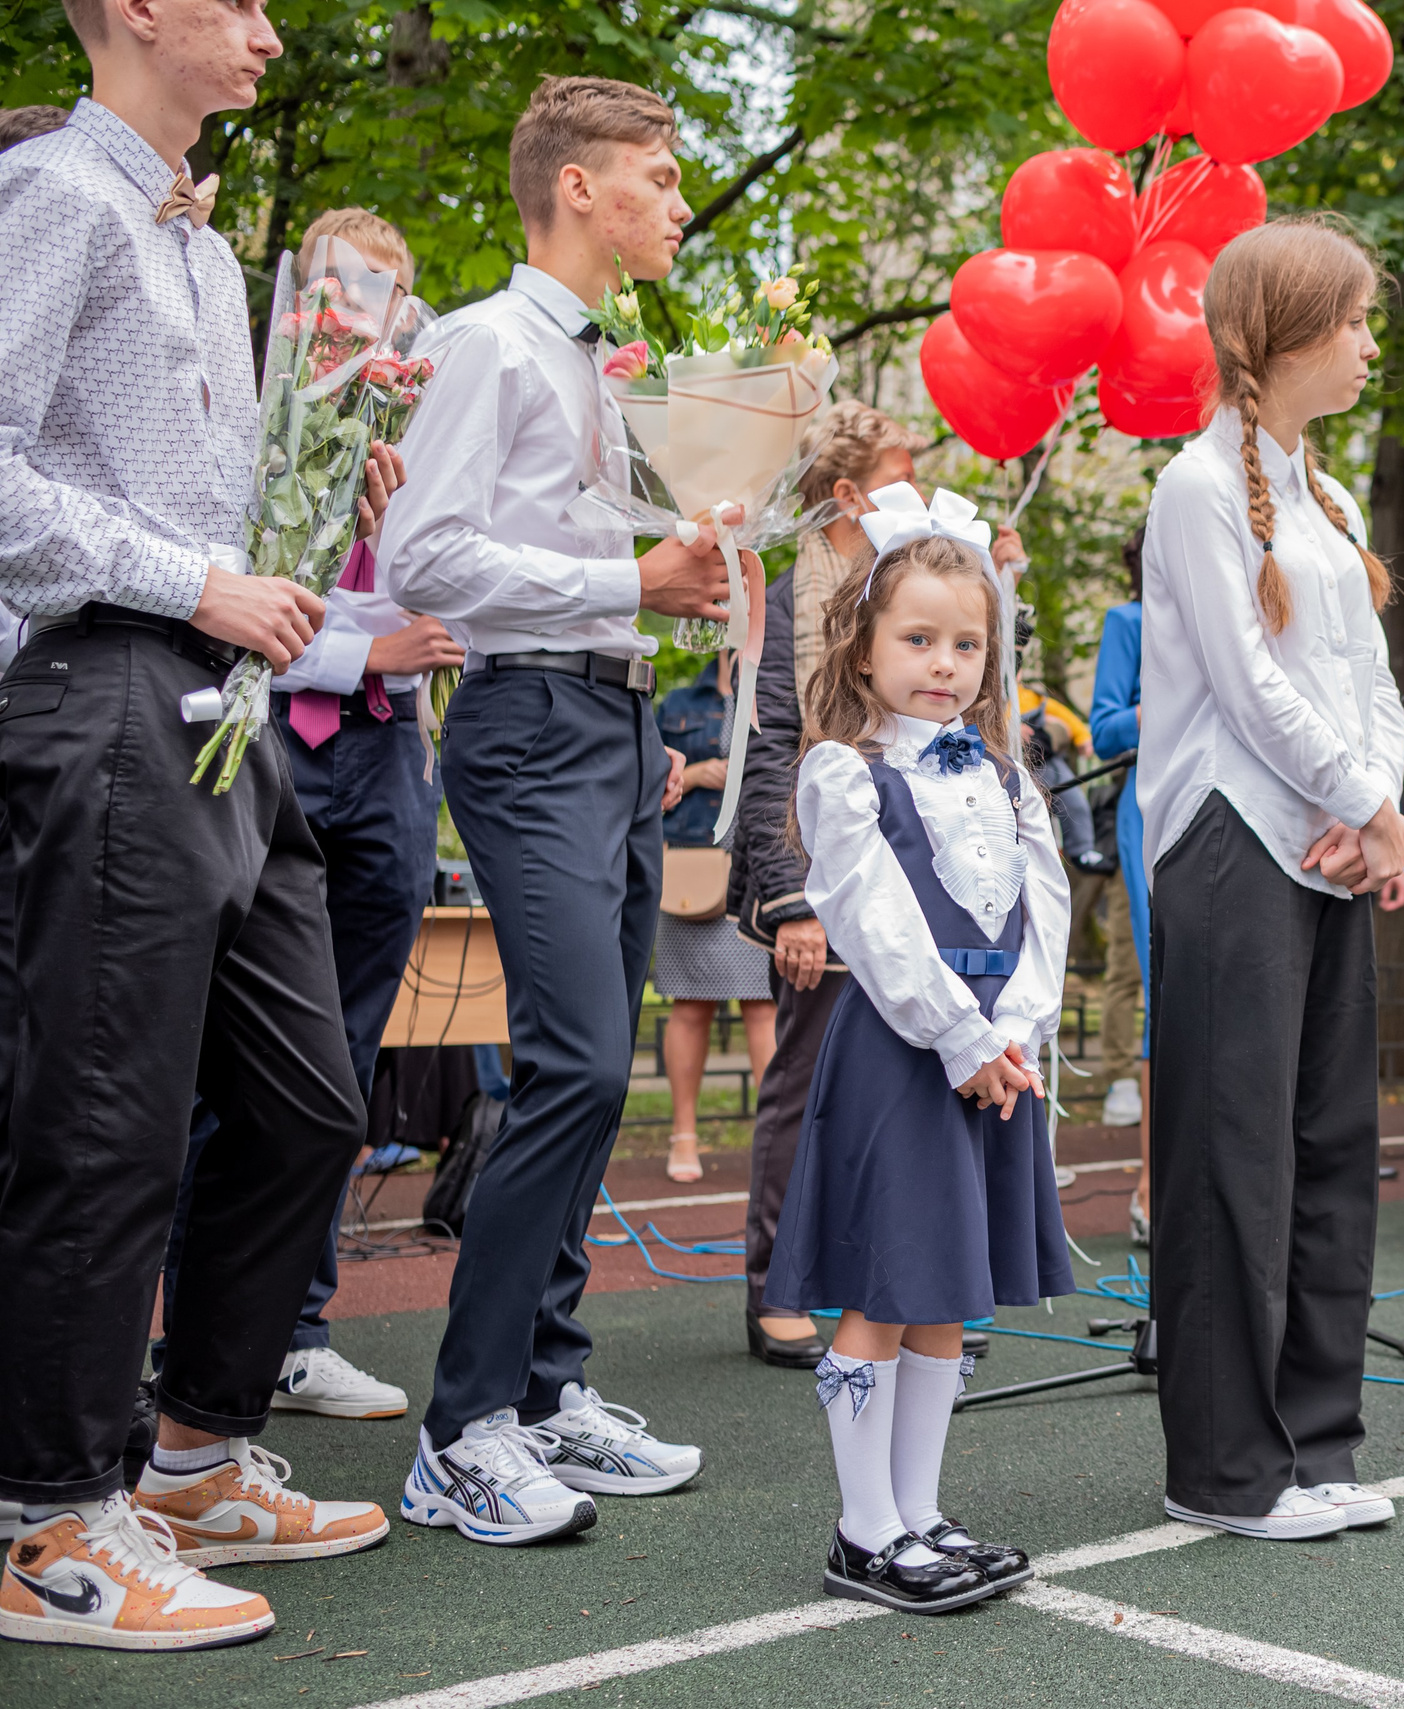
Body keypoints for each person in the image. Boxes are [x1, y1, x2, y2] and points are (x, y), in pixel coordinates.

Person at [0, 5, 383, 1651]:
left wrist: (334, 467)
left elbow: (210, 502)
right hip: (100, 685)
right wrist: (194, 576)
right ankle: (46, 1518)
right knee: (104, 1122)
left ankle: (202, 1445)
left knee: (309, 1095)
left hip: (222, 709)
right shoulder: (59, 202)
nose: (271, 27)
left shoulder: (212, 249)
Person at [378, 75, 731, 1543]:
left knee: (603, 1063)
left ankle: (547, 1384)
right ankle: (460, 1427)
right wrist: (626, 589)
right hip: (523, 726)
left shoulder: (613, 362)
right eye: (654, 173)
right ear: (577, 187)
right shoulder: (488, 345)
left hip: (612, 719)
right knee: (578, 1065)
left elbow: (606, 557)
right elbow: (424, 557)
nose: (675, 199)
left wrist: (665, 623)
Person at [1141, 216, 1404, 1542]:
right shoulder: (1196, 488)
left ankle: (1317, 1443)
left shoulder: (1330, 497)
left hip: (1327, 849)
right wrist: (1357, 799)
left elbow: (1367, 680)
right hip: (1233, 844)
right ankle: (1223, 1471)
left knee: (1328, 1153)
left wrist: (1383, 809)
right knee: (1230, 1159)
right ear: (1287, 332)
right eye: (1355, 320)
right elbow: (1248, 685)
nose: (1370, 343)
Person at [158, 208, 450, 1426]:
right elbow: (235, 589)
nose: (357, 308)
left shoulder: (418, 424)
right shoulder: (242, 416)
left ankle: (297, 1326)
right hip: (265, 733)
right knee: (221, 1056)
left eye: (383, 290)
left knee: (340, 1058)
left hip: (386, 754)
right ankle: (176, 1328)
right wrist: (359, 646)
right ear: (299, 302)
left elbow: (438, 586)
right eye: (339, 285)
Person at [766, 508, 1072, 1614]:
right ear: (864, 647)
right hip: (908, 1048)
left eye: (966, 645)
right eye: (918, 640)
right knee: (886, 1283)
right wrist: (960, 1035)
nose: (944, 665)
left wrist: (1017, 1026)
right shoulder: (846, 775)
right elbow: (878, 922)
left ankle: (919, 1509)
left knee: (947, 1287)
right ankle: (863, 1529)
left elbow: (1048, 907)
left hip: (991, 1051)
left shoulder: (1002, 772)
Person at [732, 401, 926, 1366]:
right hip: (819, 874)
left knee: (890, 1083)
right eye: (904, 467)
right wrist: (795, 901)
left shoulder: (901, 595)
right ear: (848, 491)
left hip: (902, 873)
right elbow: (769, 751)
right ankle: (776, 1284)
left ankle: (874, 1277)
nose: (921, 483)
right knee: (805, 1079)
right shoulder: (789, 597)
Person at [655, 652, 777, 1182]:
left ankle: (774, 1139)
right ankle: (683, 1136)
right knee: (691, 1005)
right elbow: (646, 786)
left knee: (764, 1007)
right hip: (692, 864)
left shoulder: (777, 693)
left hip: (759, 863)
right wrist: (699, 772)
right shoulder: (679, 703)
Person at [1089, 530, 1147, 1149]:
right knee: (1135, 959)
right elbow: (1104, 730)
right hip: (1149, 804)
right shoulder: (1128, 621)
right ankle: (1123, 1078)